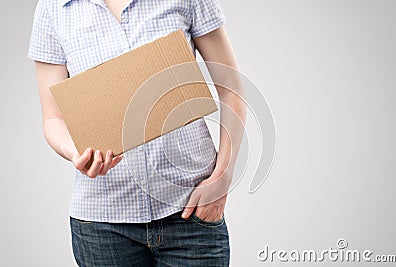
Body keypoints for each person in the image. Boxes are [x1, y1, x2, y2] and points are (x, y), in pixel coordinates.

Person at [28, 0, 246, 266]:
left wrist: (222, 179)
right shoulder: (53, 8)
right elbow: (53, 118)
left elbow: (231, 88)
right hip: (103, 226)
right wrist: (76, 151)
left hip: (190, 213)